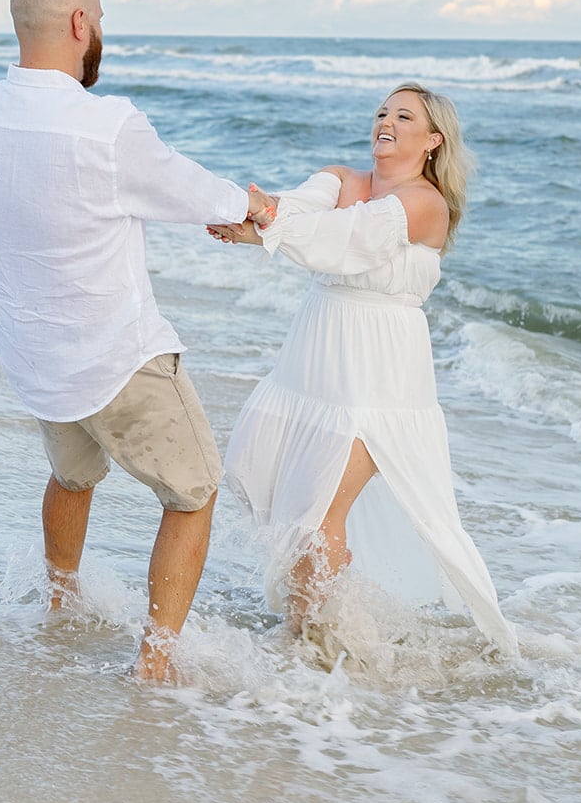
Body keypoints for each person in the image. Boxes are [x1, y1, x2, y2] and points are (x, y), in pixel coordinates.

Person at [0, 0, 269, 683]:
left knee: (73, 476)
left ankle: (60, 603)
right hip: (114, 355)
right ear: (79, 25)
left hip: (35, 351)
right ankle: (155, 663)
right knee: (194, 490)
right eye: (99, 20)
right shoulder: (104, 124)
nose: (101, 34)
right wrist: (254, 208)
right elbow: (188, 187)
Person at [207, 83, 518, 659]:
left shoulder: (426, 204)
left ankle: (309, 643)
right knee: (295, 501)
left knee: (321, 507)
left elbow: (348, 241)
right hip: (314, 363)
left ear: (432, 141)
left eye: (405, 116)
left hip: (381, 379)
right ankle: (323, 631)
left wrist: (265, 226)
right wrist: (258, 219)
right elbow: (296, 211)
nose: (387, 121)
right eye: (382, 112)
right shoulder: (341, 179)